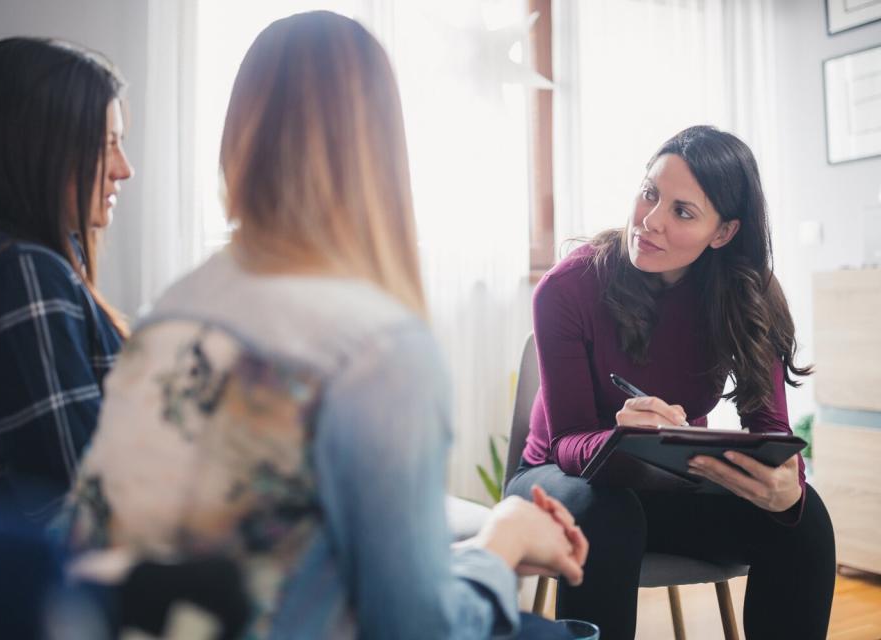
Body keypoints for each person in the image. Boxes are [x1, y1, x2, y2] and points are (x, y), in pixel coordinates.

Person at [60, 11, 587, 640]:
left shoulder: (172, 309)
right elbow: (419, 628)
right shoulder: (377, 347)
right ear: (383, 148)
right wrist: (501, 541)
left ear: (238, 139)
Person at [506, 125, 836, 639]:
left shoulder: (747, 294)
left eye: (682, 212)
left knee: (804, 516)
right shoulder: (568, 288)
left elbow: (770, 428)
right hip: (556, 484)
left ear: (723, 233)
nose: (650, 221)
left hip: (662, 488)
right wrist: (621, 438)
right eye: (649, 193)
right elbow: (566, 443)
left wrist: (785, 487)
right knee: (607, 512)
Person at [0, 37, 134, 524]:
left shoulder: (34, 266)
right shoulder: (21, 275)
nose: (124, 169)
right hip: (23, 596)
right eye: (107, 146)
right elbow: (72, 502)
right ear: (40, 153)